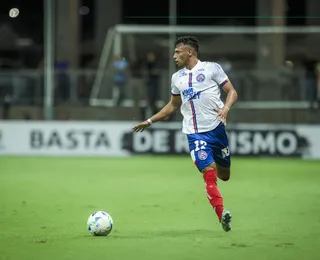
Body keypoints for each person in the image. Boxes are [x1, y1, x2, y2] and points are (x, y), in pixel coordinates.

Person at [132, 36, 238, 232]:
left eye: (177, 52)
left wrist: (226, 108)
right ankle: (221, 214)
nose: (174, 56)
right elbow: (173, 106)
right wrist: (150, 120)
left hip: (217, 130)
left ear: (190, 52)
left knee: (225, 175)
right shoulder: (177, 78)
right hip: (194, 134)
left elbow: (231, 91)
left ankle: (213, 169)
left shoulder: (212, 68)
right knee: (208, 173)